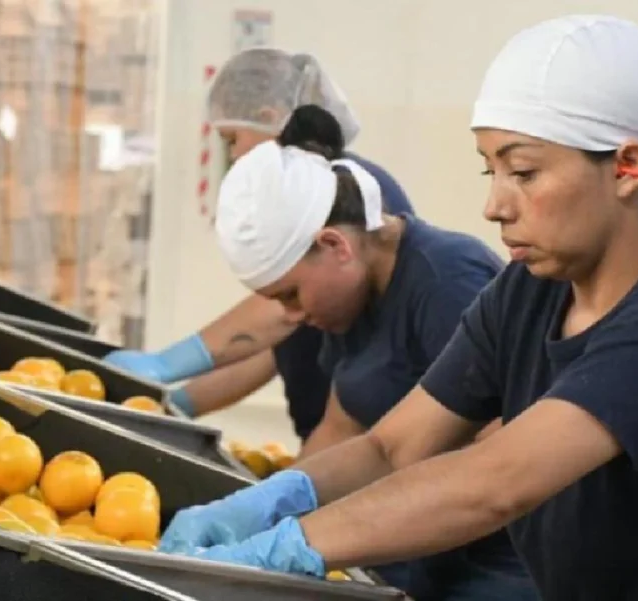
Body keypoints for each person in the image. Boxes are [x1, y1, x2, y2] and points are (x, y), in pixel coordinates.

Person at [158, 15, 638, 601]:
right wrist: (268, 501)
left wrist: (289, 546)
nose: (494, 205)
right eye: (489, 170)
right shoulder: (529, 292)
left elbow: (496, 482)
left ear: (627, 166)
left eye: (523, 172)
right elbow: (391, 447)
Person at [204, 104, 536, 600]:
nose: (292, 316)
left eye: (291, 294)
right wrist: (268, 506)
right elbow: (346, 428)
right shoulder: (351, 302)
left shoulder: (446, 281)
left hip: (491, 565)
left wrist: (323, 535)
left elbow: (495, 460)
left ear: (335, 245)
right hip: (404, 548)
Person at [104, 48, 414, 443]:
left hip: (360, 447)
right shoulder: (303, 206)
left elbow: (280, 317)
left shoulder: (345, 191)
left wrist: (169, 362)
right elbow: (274, 345)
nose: (233, 155)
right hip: (327, 440)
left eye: (232, 139)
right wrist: (177, 405)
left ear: (270, 119)